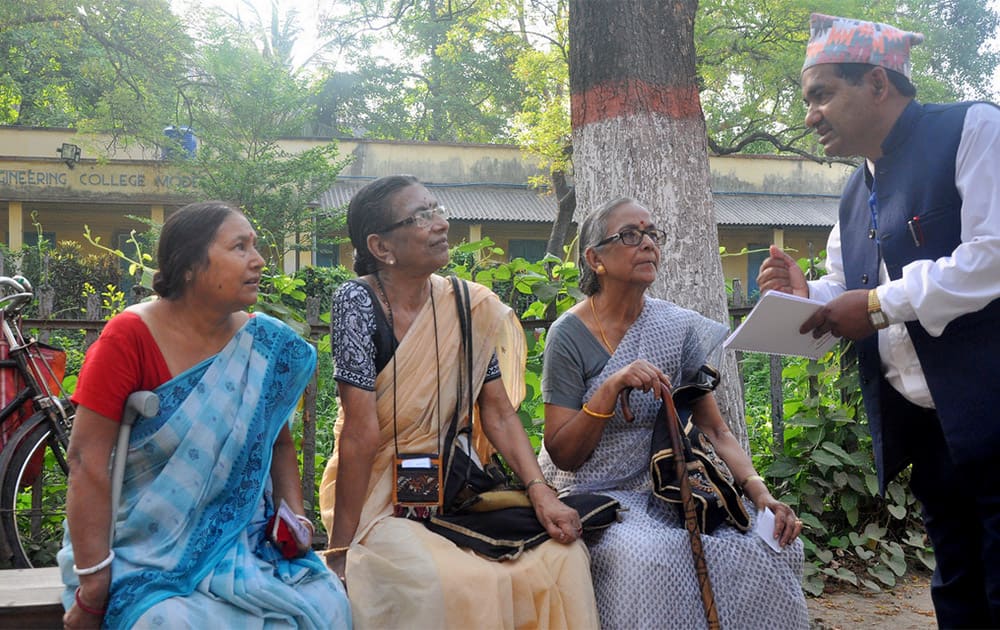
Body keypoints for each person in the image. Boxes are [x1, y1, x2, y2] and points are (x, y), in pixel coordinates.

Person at [757, 13, 1000, 626]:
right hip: (928, 424)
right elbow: (850, 283)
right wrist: (808, 293)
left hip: (992, 410)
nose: (810, 115)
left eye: (822, 94)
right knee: (957, 580)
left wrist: (871, 305)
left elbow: (990, 255)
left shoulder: (974, 128)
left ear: (877, 83)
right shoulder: (853, 189)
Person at [318, 175, 600, 629]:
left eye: (437, 209)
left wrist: (541, 493)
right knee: (441, 580)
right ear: (381, 246)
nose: (440, 224)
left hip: (455, 486)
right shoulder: (359, 300)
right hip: (375, 492)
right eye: (421, 216)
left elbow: (499, 413)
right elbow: (359, 432)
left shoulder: (466, 305)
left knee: (560, 556)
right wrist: (339, 551)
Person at [58, 201, 351, 629]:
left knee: (327, 603)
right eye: (239, 247)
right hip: (144, 547)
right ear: (190, 264)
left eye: (255, 246)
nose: (258, 260)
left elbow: (278, 441)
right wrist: (94, 583)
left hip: (244, 543)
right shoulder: (130, 337)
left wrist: (295, 519)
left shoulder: (262, 342)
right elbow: (86, 460)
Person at [539, 197, 809, 629]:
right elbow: (564, 454)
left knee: (773, 544)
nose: (647, 244)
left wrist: (761, 496)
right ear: (595, 259)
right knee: (650, 557)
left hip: (673, 487)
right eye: (630, 235)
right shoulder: (568, 335)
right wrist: (610, 388)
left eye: (652, 234)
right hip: (597, 492)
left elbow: (715, 431)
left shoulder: (676, 327)